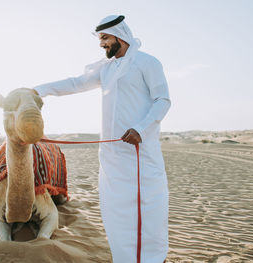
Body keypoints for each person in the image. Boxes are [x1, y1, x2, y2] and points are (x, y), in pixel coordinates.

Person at [33, 15, 170, 263]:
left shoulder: (147, 63)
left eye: (105, 38)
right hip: (111, 158)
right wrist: (39, 90)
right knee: (116, 215)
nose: (101, 44)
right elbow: (75, 83)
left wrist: (141, 128)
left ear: (120, 36)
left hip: (139, 154)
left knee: (146, 213)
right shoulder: (106, 69)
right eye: (100, 39)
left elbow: (163, 100)